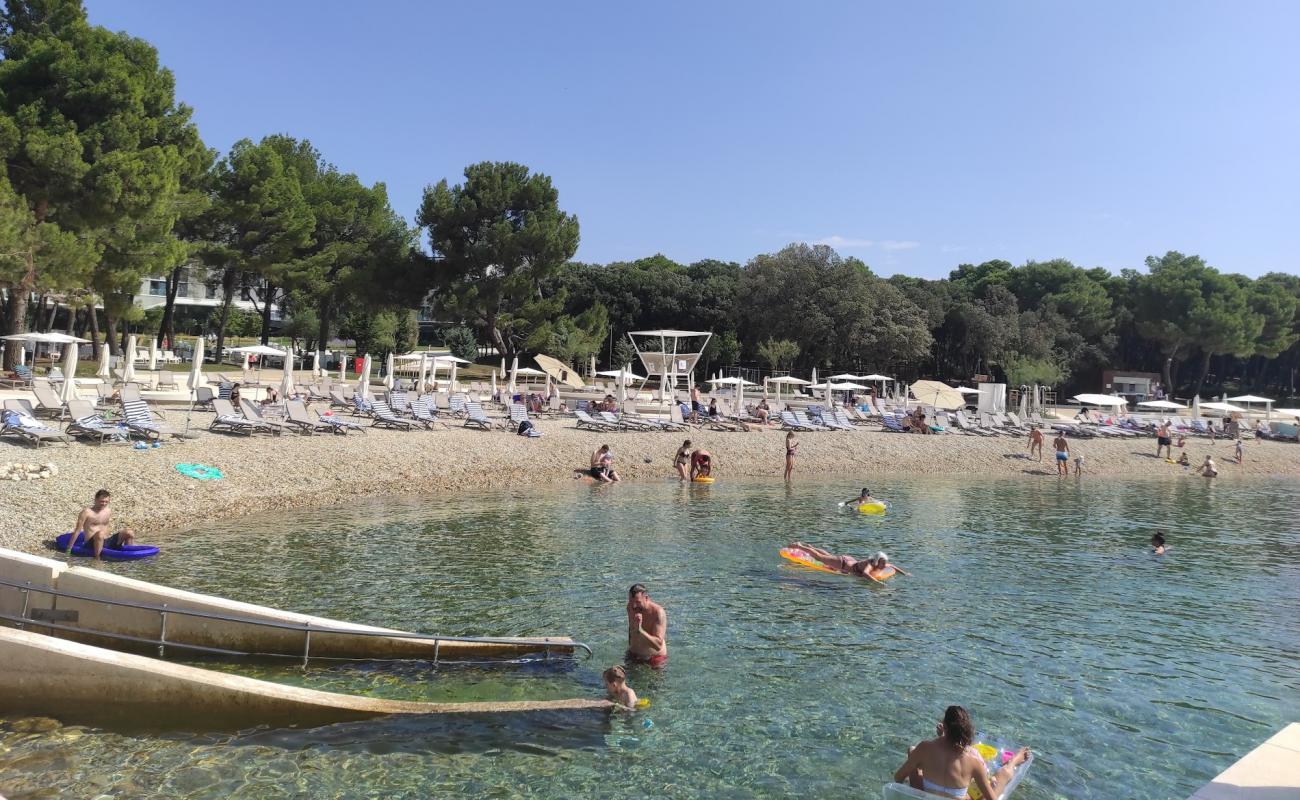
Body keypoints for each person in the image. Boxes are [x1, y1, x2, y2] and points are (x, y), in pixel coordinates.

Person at [893, 705, 1030, 800]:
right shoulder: (973, 761)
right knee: (999, 776)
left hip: (926, 796)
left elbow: (898, 778)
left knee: (913, 752)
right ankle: (1015, 760)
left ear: (945, 727)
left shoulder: (924, 748)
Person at [788, 541, 910, 580]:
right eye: (882, 563)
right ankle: (799, 546)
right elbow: (866, 574)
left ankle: (811, 547)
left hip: (850, 560)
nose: (884, 566)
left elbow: (892, 566)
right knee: (819, 558)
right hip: (843, 563)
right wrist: (877, 584)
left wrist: (905, 573)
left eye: (884, 563)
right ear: (877, 561)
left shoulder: (879, 563)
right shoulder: (869, 564)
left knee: (828, 555)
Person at [70, 489, 135, 560]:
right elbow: (77, 530)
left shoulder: (108, 511)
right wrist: (69, 548)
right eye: (102, 501)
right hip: (91, 544)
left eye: (106, 502)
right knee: (100, 534)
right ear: (95, 499)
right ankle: (97, 559)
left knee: (129, 532)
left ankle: (129, 555)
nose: (104, 504)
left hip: (106, 541)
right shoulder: (86, 512)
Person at [626, 584, 668, 668]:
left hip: (654, 658)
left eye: (638, 602)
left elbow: (658, 645)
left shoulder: (658, 613)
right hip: (633, 654)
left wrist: (640, 630)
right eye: (631, 601)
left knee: (654, 681)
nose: (634, 606)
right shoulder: (630, 607)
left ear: (646, 598)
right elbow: (631, 629)